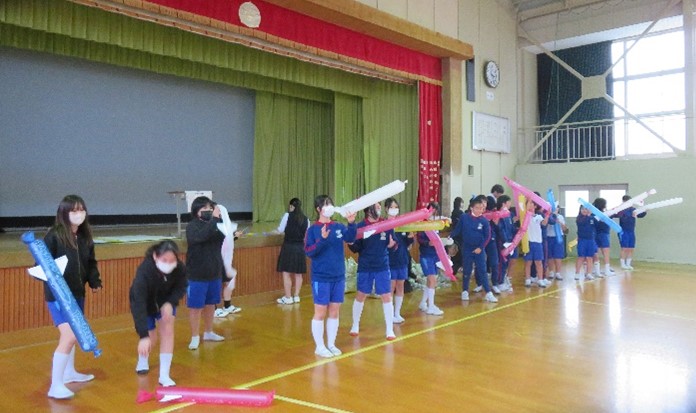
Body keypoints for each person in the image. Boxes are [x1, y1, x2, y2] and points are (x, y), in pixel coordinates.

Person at [43, 195, 102, 399]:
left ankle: (69, 373)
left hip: (77, 294)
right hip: (59, 297)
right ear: (64, 212)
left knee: (74, 334)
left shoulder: (85, 236)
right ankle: (55, 385)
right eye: (74, 210)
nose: (79, 214)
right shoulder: (54, 235)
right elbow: (42, 264)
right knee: (68, 336)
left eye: (81, 210)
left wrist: (94, 281)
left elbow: (90, 262)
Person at [305, 195, 357, 358]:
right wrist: (322, 239)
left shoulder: (338, 226)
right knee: (320, 312)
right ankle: (319, 346)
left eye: (330, 204)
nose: (329, 207)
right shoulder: (312, 230)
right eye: (325, 205)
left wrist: (351, 223)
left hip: (338, 276)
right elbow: (309, 252)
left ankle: (331, 344)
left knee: (334, 311)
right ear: (318, 209)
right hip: (321, 277)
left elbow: (351, 238)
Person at [129, 240, 187, 387]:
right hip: (146, 304)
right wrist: (143, 335)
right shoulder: (144, 271)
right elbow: (138, 303)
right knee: (151, 338)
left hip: (166, 301)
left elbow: (181, 287)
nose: (168, 264)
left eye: (172, 260)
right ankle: (143, 358)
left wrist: (170, 303)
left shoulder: (180, 268)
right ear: (155, 256)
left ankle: (164, 375)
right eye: (164, 260)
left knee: (168, 330)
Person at [349, 203, 397, 340]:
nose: (379, 209)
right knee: (361, 294)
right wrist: (351, 243)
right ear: (368, 210)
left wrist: (392, 245)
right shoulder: (360, 226)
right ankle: (355, 325)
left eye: (379, 207)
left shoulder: (386, 224)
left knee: (386, 295)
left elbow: (394, 243)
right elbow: (356, 247)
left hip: (382, 265)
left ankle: (389, 329)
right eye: (376, 207)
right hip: (365, 265)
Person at [185, 196, 226, 350]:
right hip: (197, 275)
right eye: (204, 209)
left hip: (214, 272)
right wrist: (214, 220)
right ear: (196, 211)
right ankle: (195, 336)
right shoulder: (192, 227)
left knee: (210, 305)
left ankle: (209, 332)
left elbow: (221, 238)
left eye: (210, 208)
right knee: (195, 307)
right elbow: (202, 236)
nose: (208, 211)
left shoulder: (215, 225)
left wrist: (222, 222)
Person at [450, 197, 497, 303]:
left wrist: (480, 247)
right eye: (477, 208)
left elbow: (487, 236)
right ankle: (465, 291)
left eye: (481, 208)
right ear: (472, 208)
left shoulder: (484, 221)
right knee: (467, 270)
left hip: (479, 249)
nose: (480, 210)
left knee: (482, 270)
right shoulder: (464, 217)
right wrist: (450, 236)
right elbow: (458, 229)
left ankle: (488, 293)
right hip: (467, 248)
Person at [276, 198, 310, 305]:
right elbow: (307, 235)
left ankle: (288, 297)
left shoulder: (287, 216)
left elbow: (280, 230)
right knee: (298, 274)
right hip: (300, 248)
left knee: (286, 273)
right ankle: (296, 296)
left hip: (288, 247)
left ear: (291, 206)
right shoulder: (306, 219)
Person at [385, 198, 413, 324]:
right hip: (390, 261)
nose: (394, 209)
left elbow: (407, 242)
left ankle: (397, 313)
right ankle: (389, 314)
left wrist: (410, 237)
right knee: (391, 287)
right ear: (386, 209)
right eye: (391, 207)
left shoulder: (402, 224)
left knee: (400, 286)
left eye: (396, 207)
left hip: (402, 260)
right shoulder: (384, 225)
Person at [416, 202, 446, 315]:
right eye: (431, 211)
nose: (433, 214)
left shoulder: (436, 224)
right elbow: (420, 239)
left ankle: (423, 303)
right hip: (426, 255)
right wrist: (428, 243)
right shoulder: (422, 224)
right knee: (432, 280)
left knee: (431, 281)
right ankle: (431, 306)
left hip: (434, 255)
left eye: (435, 212)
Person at [612, 195, 647, 270]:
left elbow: (641, 215)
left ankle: (628, 264)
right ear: (624, 202)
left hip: (631, 231)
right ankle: (622, 264)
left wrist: (645, 210)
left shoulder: (633, 209)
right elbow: (613, 214)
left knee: (631, 248)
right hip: (623, 231)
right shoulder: (621, 209)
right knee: (624, 248)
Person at [524, 198, 550, 288]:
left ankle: (540, 279)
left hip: (538, 242)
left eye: (531, 203)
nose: (529, 205)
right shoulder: (524, 216)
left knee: (538, 262)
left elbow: (544, 224)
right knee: (528, 262)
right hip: (528, 242)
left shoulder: (538, 216)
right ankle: (528, 279)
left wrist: (547, 214)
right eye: (528, 203)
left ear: (535, 206)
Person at [496, 195, 516, 290]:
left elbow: (511, 228)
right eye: (509, 201)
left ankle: (503, 280)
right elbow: (500, 229)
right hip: (503, 242)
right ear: (504, 203)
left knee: (507, 262)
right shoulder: (499, 214)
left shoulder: (509, 214)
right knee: (502, 262)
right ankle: (499, 283)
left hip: (510, 242)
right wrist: (505, 241)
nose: (510, 203)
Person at [592, 198, 615, 276]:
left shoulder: (593, 214)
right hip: (603, 234)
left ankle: (596, 269)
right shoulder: (605, 214)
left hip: (595, 234)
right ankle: (606, 270)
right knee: (605, 252)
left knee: (596, 252)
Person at [575, 205, 597, 281]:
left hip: (590, 240)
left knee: (589, 257)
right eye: (583, 209)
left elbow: (596, 225)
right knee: (581, 257)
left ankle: (589, 273)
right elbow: (583, 223)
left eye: (586, 209)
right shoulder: (579, 218)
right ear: (580, 210)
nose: (584, 210)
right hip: (582, 240)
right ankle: (577, 273)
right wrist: (589, 215)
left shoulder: (592, 218)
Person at [545, 203, 567, 280]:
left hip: (558, 238)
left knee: (558, 256)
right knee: (549, 256)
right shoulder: (547, 216)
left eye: (556, 207)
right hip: (549, 237)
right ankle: (551, 271)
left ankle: (558, 273)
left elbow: (565, 229)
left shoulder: (560, 217)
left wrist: (559, 223)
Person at [450, 197, 464, 275]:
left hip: (455, 235)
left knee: (456, 254)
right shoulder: (459, 213)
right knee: (459, 254)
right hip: (459, 236)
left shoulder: (453, 212)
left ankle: (453, 271)